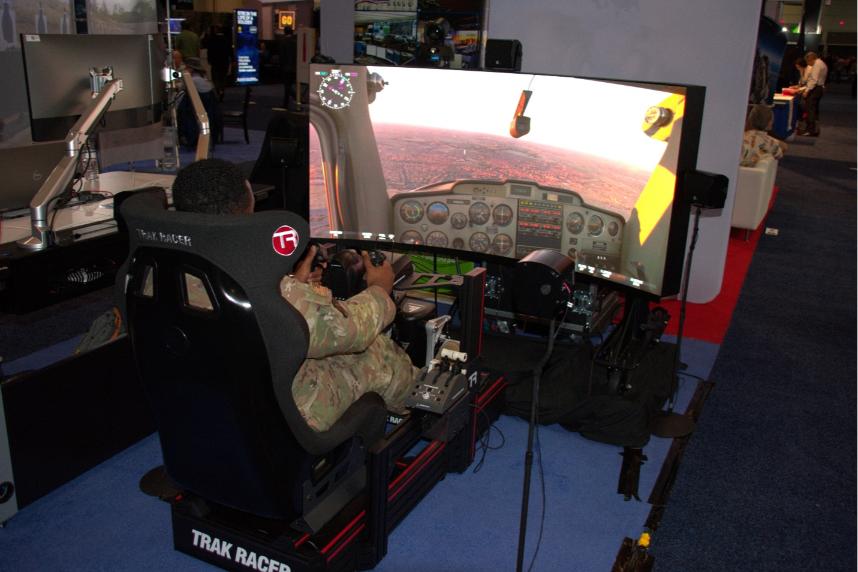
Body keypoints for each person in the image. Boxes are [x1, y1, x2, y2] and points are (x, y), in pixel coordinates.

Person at [170, 159, 415, 432]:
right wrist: (380, 289)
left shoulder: (158, 269)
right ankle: (416, 411)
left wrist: (293, 284)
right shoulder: (261, 280)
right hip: (276, 411)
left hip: (206, 395)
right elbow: (349, 333)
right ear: (246, 205)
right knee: (377, 350)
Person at [797, 51, 827, 136]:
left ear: (811, 59)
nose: (809, 64)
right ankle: (815, 129)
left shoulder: (817, 64)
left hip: (816, 89)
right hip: (819, 88)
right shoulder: (821, 63)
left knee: (810, 109)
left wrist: (807, 90)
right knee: (814, 109)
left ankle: (810, 130)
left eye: (808, 62)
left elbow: (813, 79)